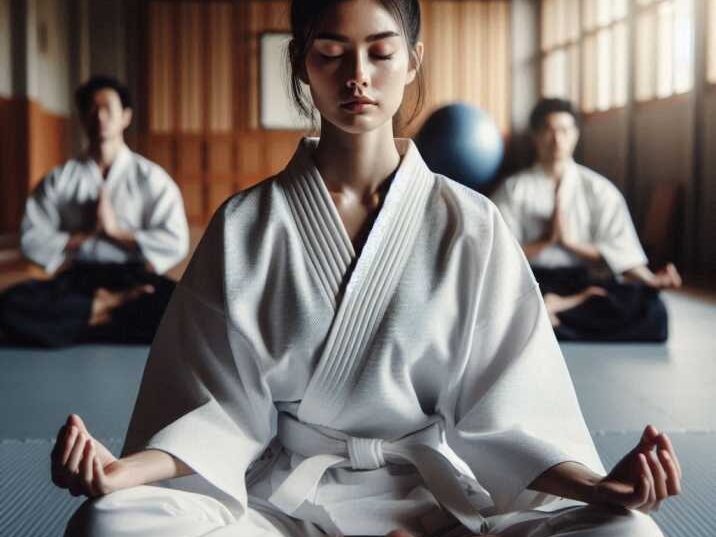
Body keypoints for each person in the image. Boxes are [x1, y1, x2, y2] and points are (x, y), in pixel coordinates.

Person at [52, 3, 679, 536]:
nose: (358, 76)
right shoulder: (247, 222)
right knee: (108, 523)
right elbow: (216, 412)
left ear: (412, 59)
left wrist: (598, 486)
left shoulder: (472, 223)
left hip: (437, 499)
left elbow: (509, 415)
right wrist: (121, 471)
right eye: (331, 53)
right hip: (285, 504)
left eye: (381, 53)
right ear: (300, 60)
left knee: (631, 531)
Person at [0, 76, 189, 347]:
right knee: (10, 305)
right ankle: (108, 310)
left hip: (132, 278)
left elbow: (176, 240)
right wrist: (83, 235)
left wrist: (115, 232)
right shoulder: (59, 179)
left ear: (125, 116)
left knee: (183, 306)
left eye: (108, 109)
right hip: (79, 278)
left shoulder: (151, 177)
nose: (99, 116)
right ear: (81, 117)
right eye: (91, 108)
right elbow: (31, 239)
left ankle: (84, 318)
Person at [492, 98, 682, 342]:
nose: (557, 139)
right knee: (499, 298)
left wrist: (650, 279)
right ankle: (552, 310)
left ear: (575, 135)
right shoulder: (513, 190)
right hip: (532, 280)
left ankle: (549, 314)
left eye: (564, 130)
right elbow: (498, 255)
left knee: (653, 311)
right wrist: (545, 241)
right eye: (548, 131)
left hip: (585, 282)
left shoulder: (599, 189)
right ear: (535, 137)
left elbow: (621, 252)